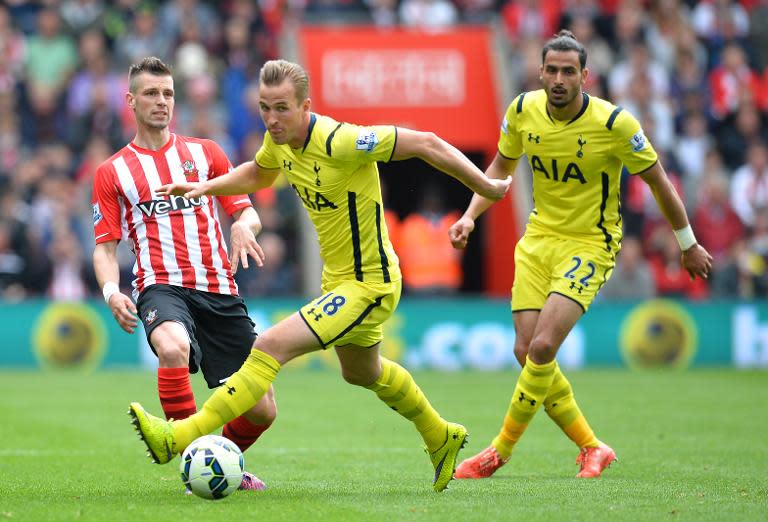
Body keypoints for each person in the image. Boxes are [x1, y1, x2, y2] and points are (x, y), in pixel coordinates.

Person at [127, 58, 512, 492]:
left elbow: (425, 142)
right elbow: (258, 173)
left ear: (305, 106)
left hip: (370, 284)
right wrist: (204, 188)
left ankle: (179, 435)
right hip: (340, 282)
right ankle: (441, 435)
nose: (272, 120)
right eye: (265, 108)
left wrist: (484, 186)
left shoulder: (342, 140)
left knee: (270, 345)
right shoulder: (282, 143)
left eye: (282, 109)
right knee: (361, 372)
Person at [448, 31, 713, 480]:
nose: (558, 79)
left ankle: (496, 453)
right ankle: (593, 447)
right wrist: (471, 214)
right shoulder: (521, 110)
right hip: (538, 241)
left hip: (591, 243)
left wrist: (687, 243)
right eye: (551, 70)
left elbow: (660, 182)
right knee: (524, 350)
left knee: (543, 346)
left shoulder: (615, 126)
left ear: (584, 77)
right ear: (540, 72)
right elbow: (500, 169)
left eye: (568, 71)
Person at [91, 57, 277, 492]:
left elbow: (247, 212)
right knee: (172, 346)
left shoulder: (206, 153)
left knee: (263, 410)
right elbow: (104, 247)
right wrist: (110, 290)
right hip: (160, 286)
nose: (162, 102)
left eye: (169, 94)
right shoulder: (112, 171)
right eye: (152, 94)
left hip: (218, 288)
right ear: (131, 101)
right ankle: (194, 459)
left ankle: (223, 461)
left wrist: (241, 227)